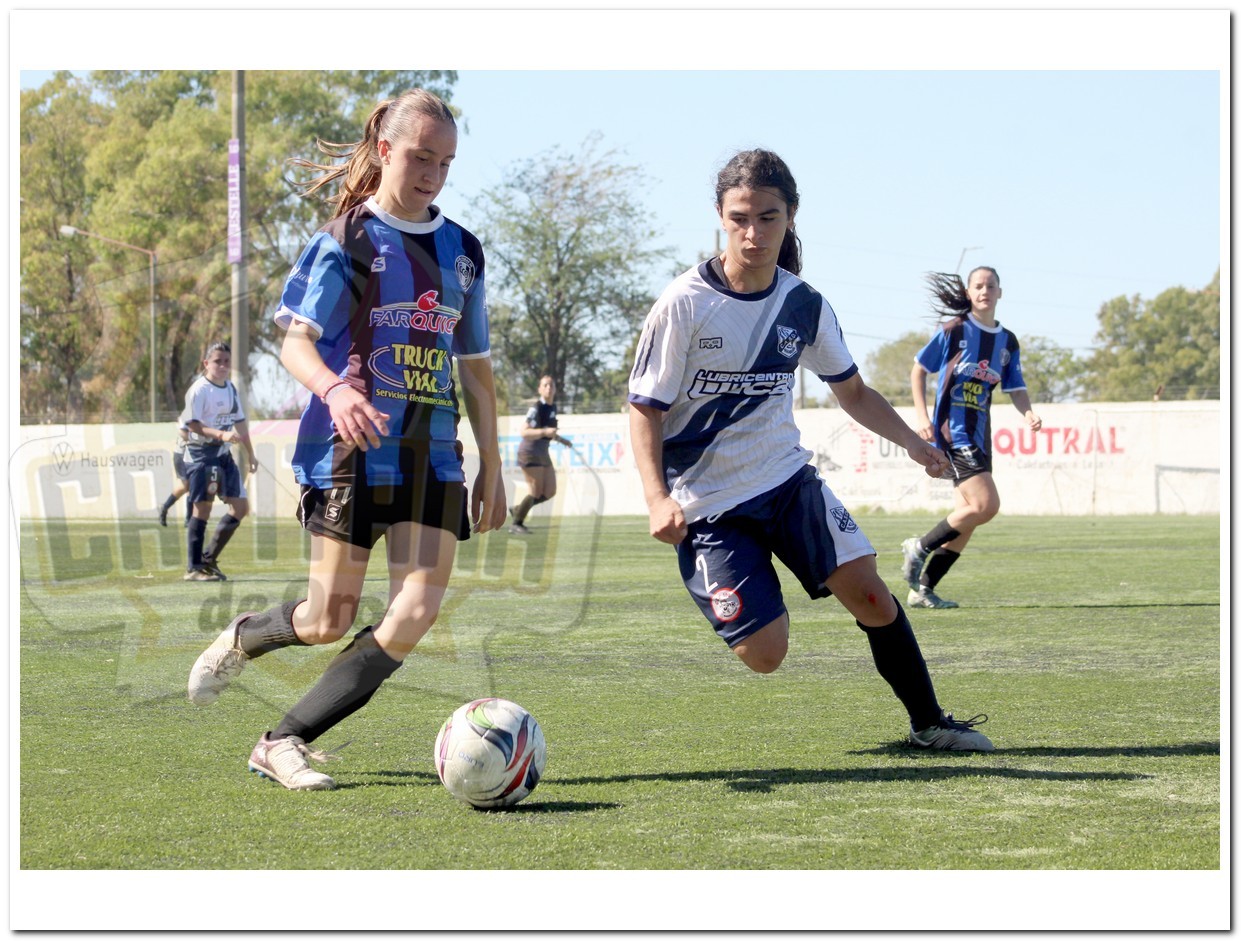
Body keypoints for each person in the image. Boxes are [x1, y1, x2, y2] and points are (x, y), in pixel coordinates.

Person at [187, 88, 506, 790]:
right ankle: (245, 636)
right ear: (387, 150)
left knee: (416, 610)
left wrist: (493, 463)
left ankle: (282, 738)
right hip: (349, 449)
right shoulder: (349, 240)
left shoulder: (463, 254)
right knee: (327, 616)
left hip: (433, 455)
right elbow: (296, 345)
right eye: (420, 156)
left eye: (445, 162)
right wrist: (336, 388)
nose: (432, 174)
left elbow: (476, 371)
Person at [627, 149, 993, 752]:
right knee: (764, 654)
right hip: (707, 503)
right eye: (740, 217)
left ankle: (929, 723)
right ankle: (755, 596)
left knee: (873, 594)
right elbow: (645, 407)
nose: (754, 232)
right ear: (719, 215)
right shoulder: (685, 303)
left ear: (791, 217)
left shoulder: (805, 304)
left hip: (788, 483)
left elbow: (851, 389)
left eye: (768, 217)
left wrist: (915, 444)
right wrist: (655, 498)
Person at [901, 268, 1042, 609]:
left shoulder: (1006, 341)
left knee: (969, 515)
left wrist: (1028, 413)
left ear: (1000, 292)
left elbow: (1015, 386)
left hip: (981, 436)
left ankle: (923, 589)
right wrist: (922, 418)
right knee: (986, 506)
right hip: (954, 432)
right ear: (968, 292)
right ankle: (918, 546)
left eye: (990, 286)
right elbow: (919, 369)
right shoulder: (955, 330)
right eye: (978, 286)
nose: (984, 291)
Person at [181, 342, 258, 581]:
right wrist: (221, 434)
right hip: (201, 455)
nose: (223, 366)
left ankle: (208, 559)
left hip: (223, 456)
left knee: (241, 507)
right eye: (217, 361)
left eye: (226, 361)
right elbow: (192, 425)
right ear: (206, 363)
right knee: (202, 509)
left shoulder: (230, 389)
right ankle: (194, 568)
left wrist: (250, 453)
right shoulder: (199, 390)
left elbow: (241, 423)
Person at [510, 374, 571, 534]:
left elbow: (548, 432)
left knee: (550, 491)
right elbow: (524, 432)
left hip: (543, 452)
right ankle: (516, 524)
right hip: (530, 452)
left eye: (551, 385)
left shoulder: (553, 407)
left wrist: (561, 439)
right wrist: (545, 431)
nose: (549, 388)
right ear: (539, 389)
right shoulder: (536, 407)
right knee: (535, 491)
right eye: (545, 385)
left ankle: (518, 509)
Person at [157, 427, 190, 527]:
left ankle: (165, 507)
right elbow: (182, 431)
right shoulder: (190, 413)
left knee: (186, 487)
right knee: (189, 485)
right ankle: (189, 520)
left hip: (192, 455)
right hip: (182, 454)